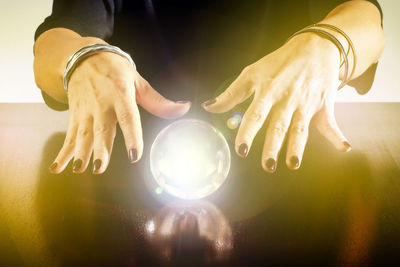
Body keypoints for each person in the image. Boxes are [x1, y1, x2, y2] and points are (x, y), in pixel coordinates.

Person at [33, 0, 385, 175]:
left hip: (283, 174)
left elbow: (366, 19)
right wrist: (80, 58)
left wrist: (327, 44)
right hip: (129, 168)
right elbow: (57, 37)